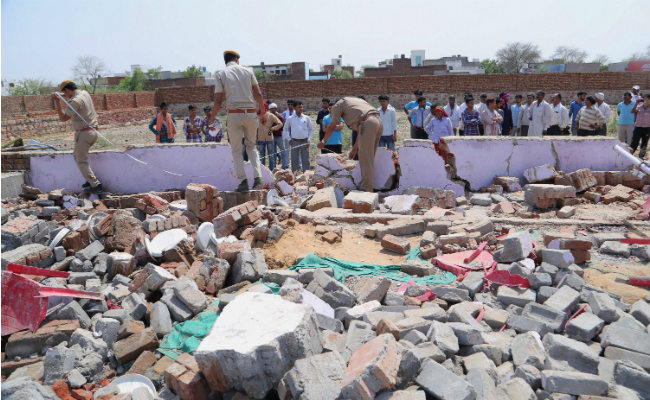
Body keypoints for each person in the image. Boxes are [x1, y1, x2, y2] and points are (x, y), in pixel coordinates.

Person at [210, 50, 266, 192]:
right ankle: (258, 178)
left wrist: (212, 118)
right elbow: (258, 93)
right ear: (236, 59)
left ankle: (243, 182)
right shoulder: (248, 71)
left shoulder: (221, 74)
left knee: (236, 149)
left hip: (234, 114)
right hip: (251, 113)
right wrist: (263, 113)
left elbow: (218, 100)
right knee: (252, 146)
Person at [319, 97, 383, 192]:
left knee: (366, 158)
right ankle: (370, 185)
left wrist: (323, 142)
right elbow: (361, 130)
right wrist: (354, 149)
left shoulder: (338, 105)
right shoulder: (354, 101)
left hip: (368, 123)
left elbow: (332, 125)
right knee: (369, 157)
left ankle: (366, 189)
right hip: (378, 122)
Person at [51, 80, 103, 194]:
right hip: (92, 131)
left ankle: (95, 184)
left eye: (64, 92)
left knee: (81, 160)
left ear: (67, 90)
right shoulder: (84, 93)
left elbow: (63, 118)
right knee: (77, 156)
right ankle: (89, 180)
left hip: (84, 133)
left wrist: (57, 102)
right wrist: (64, 95)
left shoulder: (75, 101)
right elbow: (73, 97)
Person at [282, 100, 313, 172]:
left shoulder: (306, 118)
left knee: (306, 160)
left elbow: (311, 129)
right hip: (294, 142)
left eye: (302, 107)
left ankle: (306, 174)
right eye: (299, 107)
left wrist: (309, 139)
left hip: (305, 142)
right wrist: (289, 139)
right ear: (294, 108)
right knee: (294, 161)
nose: (301, 109)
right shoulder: (290, 118)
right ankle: (295, 175)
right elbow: (285, 129)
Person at [257, 105, 283, 171]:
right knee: (262, 156)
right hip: (260, 139)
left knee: (271, 155)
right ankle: (262, 170)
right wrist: (255, 139)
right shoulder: (257, 116)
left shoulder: (270, 115)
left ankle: (272, 170)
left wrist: (273, 128)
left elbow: (280, 124)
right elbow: (255, 129)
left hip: (269, 138)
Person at [268, 103, 288, 168]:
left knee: (283, 150)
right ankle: (273, 166)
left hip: (279, 136)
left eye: (274, 108)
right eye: (271, 109)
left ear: (276, 109)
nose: (272, 110)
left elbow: (282, 126)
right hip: (271, 137)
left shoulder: (279, 117)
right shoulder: (268, 117)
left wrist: (274, 129)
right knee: (273, 152)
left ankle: (284, 165)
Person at [630, 94, 650, 158]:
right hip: (638, 127)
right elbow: (632, 111)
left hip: (647, 128)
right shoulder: (639, 106)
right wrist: (636, 103)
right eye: (644, 99)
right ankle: (630, 155)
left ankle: (641, 157)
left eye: (647, 99)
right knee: (634, 142)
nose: (645, 100)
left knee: (644, 143)